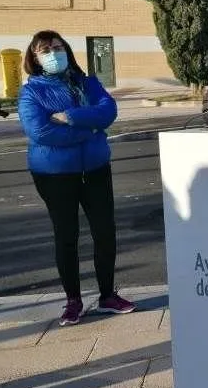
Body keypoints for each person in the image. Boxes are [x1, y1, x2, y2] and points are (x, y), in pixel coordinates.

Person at [19, 30, 136, 326]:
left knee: (105, 233)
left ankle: (108, 295)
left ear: (67, 50)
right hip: (55, 174)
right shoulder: (32, 91)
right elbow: (41, 132)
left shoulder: (87, 82)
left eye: (57, 47)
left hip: (95, 169)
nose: (53, 53)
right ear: (34, 57)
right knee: (66, 236)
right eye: (45, 49)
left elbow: (108, 111)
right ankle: (73, 300)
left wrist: (70, 117)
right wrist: (90, 128)